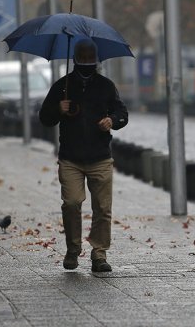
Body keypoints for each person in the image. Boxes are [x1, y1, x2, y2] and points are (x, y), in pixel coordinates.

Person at [39, 39, 128, 272]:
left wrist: (113, 121)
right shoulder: (62, 86)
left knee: (102, 207)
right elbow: (44, 118)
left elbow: (121, 112)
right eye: (83, 59)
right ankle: (73, 248)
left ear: (96, 61)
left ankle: (99, 253)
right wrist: (59, 109)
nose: (87, 64)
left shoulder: (106, 86)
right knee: (71, 202)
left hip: (100, 157)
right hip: (71, 157)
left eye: (91, 60)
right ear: (76, 60)